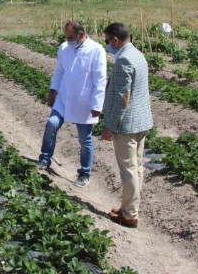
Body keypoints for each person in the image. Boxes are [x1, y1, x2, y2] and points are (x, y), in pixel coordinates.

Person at [37, 21, 107, 188]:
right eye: (66, 37)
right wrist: (52, 92)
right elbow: (59, 71)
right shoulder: (64, 48)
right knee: (51, 124)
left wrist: (97, 105)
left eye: (70, 37)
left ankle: (84, 173)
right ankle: (45, 158)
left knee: (85, 139)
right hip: (64, 97)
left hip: (84, 101)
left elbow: (100, 80)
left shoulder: (96, 50)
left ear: (81, 34)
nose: (67, 40)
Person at [101, 23, 153, 229]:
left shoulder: (123, 60)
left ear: (115, 40)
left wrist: (110, 126)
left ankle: (130, 215)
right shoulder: (138, 54)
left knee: (128, 170)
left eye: (107, 41)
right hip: (142, 121)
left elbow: (124, 97)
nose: (107, 46)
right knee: (137, 167)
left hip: (127, 125)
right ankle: (128, 207)